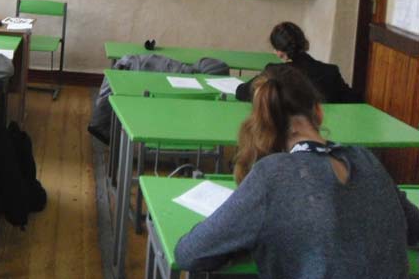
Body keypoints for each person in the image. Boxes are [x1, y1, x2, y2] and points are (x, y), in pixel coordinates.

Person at [175, 65, 419, 278]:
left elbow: (189, 253)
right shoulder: (367, 158)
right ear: (318, 112)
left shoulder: (271, 176)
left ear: (263, 126)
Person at [236, 21, 360, 103]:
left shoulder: (273, 72)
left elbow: (242, 92)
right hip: (326, 130)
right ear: (304, 42)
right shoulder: (330, 72)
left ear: (279, 52)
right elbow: (355, 100)